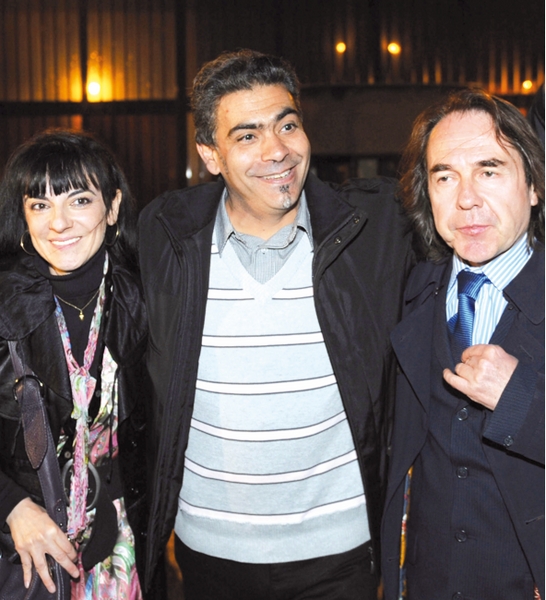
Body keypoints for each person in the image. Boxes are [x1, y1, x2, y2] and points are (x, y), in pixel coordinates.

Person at [138, 49, 414, 599]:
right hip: (209, 552)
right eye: (247, 136)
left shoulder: (377, 227)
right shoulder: (166, 236)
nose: (277, 150)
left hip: (341, 553)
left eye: (287, 125)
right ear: (210, 155)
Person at [381, 88, 544, 600]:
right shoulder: (408, 292)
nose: (466, 198)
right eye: (445, 176)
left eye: (489, 171)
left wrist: (521, 400)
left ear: (534, 186)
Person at [0, 130, 155, 598]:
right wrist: (11, 506)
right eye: (40, 204)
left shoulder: (150, 298)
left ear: (112, 207)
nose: (59, 223)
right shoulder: (4, 306)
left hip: (121, 545)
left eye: (80, 200)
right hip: (24, 547)